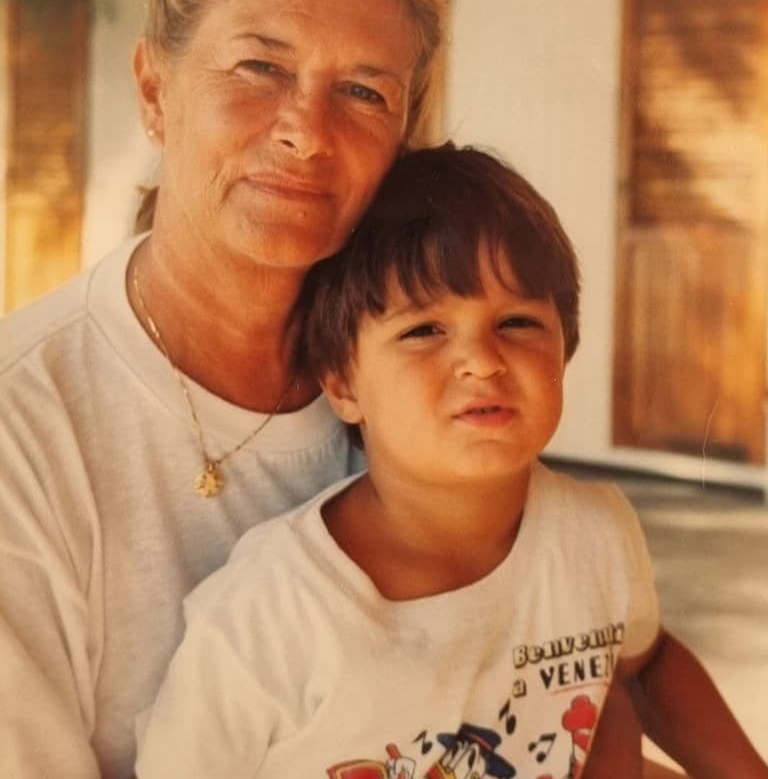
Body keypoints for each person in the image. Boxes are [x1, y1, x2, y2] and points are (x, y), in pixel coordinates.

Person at [0, 0, 445, 779]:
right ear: (156, 90)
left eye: (365, 91)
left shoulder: (431, 386)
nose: (306, 131)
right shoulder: (26, 428)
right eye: (260, 66)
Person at [134, 144, 768, 779]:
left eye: (518, 323)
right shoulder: (269, 613)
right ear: (344, 384)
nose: (482, 361)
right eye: (423, 331)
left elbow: (644, 664)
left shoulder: (594, 533)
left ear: (564, 350)